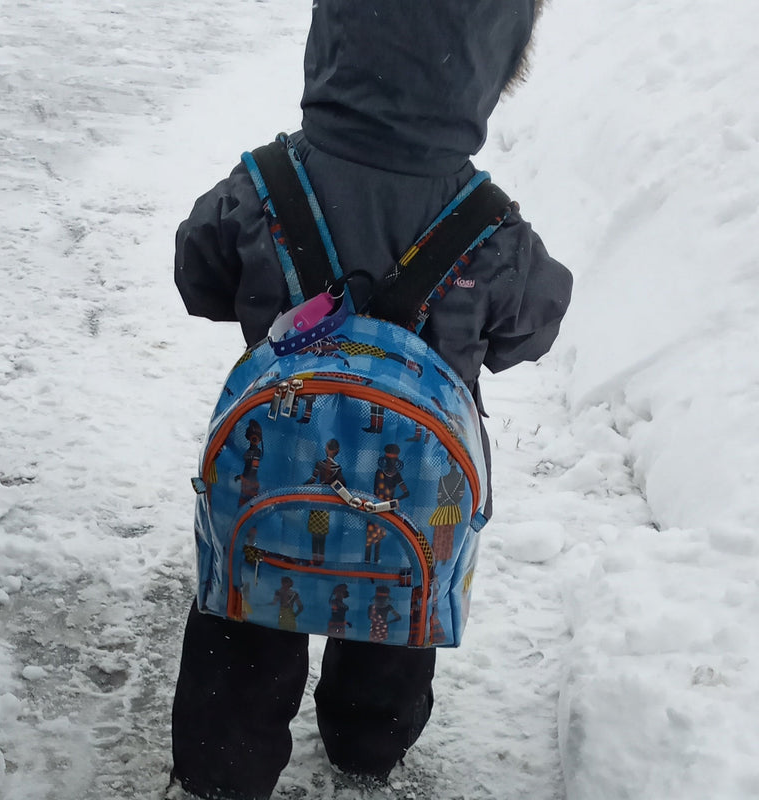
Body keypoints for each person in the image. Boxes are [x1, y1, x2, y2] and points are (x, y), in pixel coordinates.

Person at [169, 2, 572, 799]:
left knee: (244, 618)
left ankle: (221, 771)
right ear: (490, 63)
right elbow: (534, 324)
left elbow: (198, 272)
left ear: (335, 41)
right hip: (411, 498)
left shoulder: (268, 183)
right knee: (397, 596)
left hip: (270, 474)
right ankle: (366, 746)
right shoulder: (489, 228)